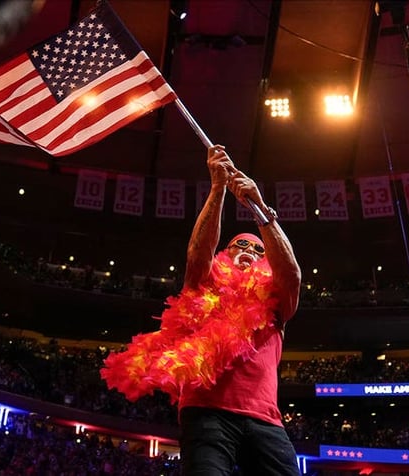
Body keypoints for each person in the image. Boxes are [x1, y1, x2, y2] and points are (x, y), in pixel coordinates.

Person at [101, 144, 302, 475]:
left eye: (257, 249)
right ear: (226, 252)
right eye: (242, 244)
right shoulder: (205, 283)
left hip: (265, 420)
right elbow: (198, 251)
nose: (250, 250)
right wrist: (219, 187)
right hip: (206, 413)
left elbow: (291, 272)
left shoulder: (276, 299)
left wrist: (261, 210)